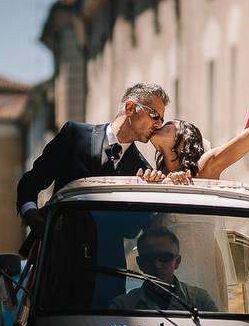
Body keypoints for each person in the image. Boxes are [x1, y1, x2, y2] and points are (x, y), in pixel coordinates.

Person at [16, 83, 169, 233]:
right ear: (130, 108)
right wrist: (30, 213)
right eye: (155, 116)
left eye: (161, 120)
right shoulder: (75, 135)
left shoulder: (143, 170)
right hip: (60, 251)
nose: (158, 125)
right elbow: (30, 182)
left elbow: (131, 231)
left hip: (108, 256)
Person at [149, 51, 249, 180]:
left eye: (168, 125)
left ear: (185, 140)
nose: (159, 123)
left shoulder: (204, 167)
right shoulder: (155, 174)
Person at [109, 227, 218, 312]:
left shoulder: (201, 299)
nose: (157, 265)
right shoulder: (122, 305)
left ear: (177, 262)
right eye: (149, 258)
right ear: (140, 263)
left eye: (165, 258)